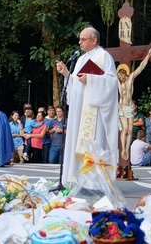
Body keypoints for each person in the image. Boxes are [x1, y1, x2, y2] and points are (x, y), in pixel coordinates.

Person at [55, 27, 119, 184]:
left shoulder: (104, 56)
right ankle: (77, 179)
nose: (79, 42)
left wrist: (91, 79)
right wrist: (66, 75)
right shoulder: (81, 59)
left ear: (94, 40)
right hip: (80, 110)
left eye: (83, 39)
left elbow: (111, 82)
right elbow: (76, 84)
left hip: (94, 110)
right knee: (78, 143)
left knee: (93, 143)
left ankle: (95, 182)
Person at [116, 46, 151, 160]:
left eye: (121, 75)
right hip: (122, 107)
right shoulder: (118, 82)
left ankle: (126, 148)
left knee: (129, 130)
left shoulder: (131, 78)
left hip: (129, 107)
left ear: (125, 73)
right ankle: (123, 149)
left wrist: (148, 55)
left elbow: (141, 67)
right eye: (119, 76)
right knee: (124, 129)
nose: (120, 78)